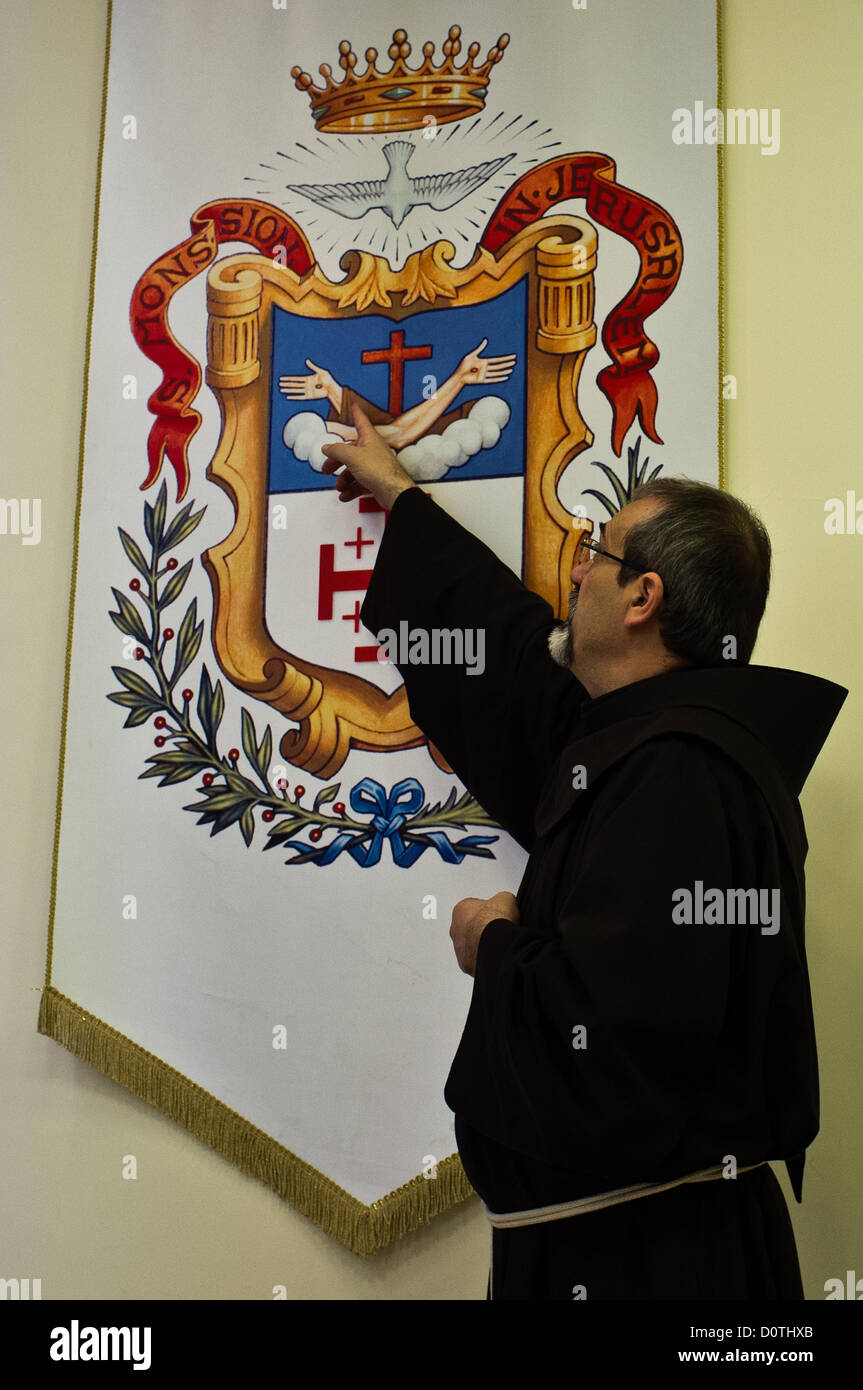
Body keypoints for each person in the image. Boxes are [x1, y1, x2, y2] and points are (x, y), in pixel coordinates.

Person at [320, 406, 848, 1301]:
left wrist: (491, 942)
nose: (574, 569)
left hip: (653, 1267)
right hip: (626, 1249)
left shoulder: (678, 775)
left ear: (643, 598)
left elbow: (611, 1039)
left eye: (596, 554)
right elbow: (516, 670)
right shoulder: (646, 748)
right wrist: (398, 493)